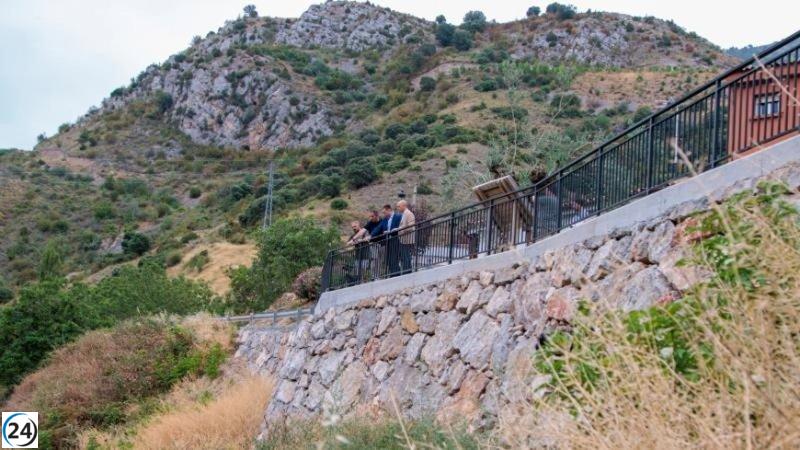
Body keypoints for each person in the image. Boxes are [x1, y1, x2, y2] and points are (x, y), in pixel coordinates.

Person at [381, 204, 403, 276]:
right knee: (389, 259)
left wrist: (391, 231)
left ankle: (396, 274)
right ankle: (392, 273)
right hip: (388, 241)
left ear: (389, 210)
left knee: (394, 258)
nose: (384, 214)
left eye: (384, 212)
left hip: (396, 240)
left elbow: (401, 227)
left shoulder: (398, 216)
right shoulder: (386, 219)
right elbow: (379, 228)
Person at [397, 200, 416, 275]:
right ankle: (406, 272)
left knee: (406, 257)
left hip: (407, 239)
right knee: (405, 257)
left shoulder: (409, 213)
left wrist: (401, 230)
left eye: (399, 206)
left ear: (404, 206)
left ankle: (407, 273)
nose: (397, 208)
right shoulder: (404, 214)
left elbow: (411, 226)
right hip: (403, 239)